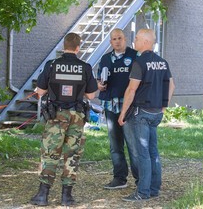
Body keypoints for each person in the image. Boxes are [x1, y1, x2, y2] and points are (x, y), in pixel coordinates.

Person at [30, 32, 98, 206]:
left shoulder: (52, 65)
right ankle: (67, 197)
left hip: (55, 116)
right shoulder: (85, 67)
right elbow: (91, 95)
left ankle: (42, 195)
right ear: (78, 47)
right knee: (72, 154)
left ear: (63, 46)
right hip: (76, 115)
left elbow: (40, 91)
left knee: (50, 153)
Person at [118, 28, 175, 201]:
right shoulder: (162, 62)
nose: (134, 41)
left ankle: (142, 192)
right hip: (156, 112)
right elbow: (171, 86)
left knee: (142, 153)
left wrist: (122, 113)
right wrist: (163, 107)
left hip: (141, 112)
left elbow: (131, 89)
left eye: (136, 38)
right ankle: (154, 189)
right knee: (153, 152)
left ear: (145, 41)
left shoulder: (139, 62)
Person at [97, 28, 138, 189]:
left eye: (119, 38)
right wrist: (99, 85)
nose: (117, 41)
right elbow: (100, 79)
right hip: (110, 105)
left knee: (133, 145)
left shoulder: (135, 56)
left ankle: (140, 179)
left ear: (125, 39)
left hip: (128, 106)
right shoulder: (105, 58)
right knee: (115, 145)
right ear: (110, 42)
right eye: (114, 39)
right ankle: (120, 178)